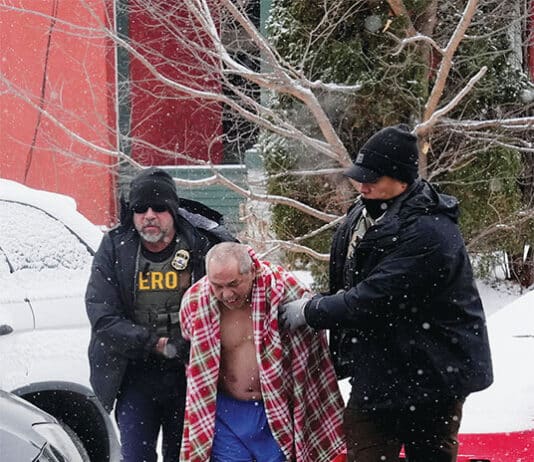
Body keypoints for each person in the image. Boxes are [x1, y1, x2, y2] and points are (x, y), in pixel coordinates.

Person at [279, 124, 493, 462]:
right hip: (378, 371)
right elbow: (350, 280)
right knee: (364, 453)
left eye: (372, 178)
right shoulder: (365, 211)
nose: (362, 185)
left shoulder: (430, 231)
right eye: (359, 177)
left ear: (402, 180)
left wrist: (312, 310)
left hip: (434, 377)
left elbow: (374, 297)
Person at [85, 167, 235, 462]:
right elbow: (102, 315)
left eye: (158, 207)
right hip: (133, 373)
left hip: (190, 373)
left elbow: (233, 296)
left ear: (173, 210)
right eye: (140, 208)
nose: (149, 215)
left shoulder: (201, 243)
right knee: (136, 455)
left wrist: (194, 344)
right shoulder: (115, 246)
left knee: (185, 456)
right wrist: (156, 343)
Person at [179, 242, 345, 462]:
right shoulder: (195, 302)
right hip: (225, 413)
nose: (226, 294)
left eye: (233, 284)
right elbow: (194, 358)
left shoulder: (286, 291)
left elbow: (313, 358)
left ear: (253, 270)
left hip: (276, 410)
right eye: (217, 286)